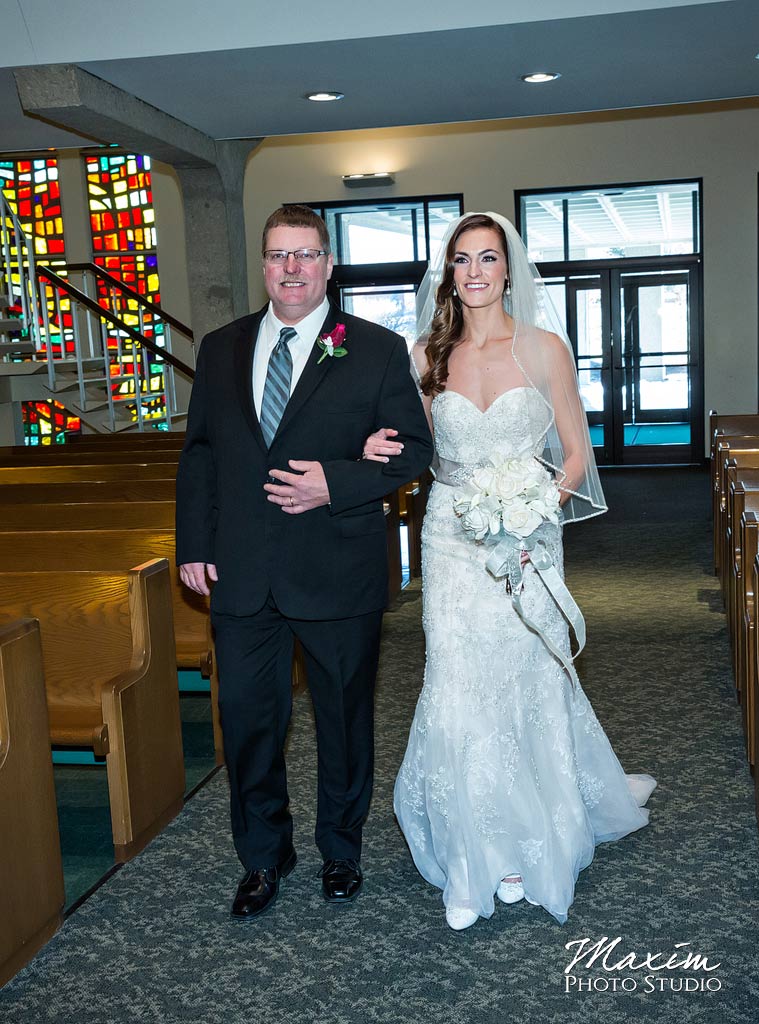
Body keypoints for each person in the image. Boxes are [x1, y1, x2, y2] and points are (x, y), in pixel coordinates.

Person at [363, 212, 655, 930]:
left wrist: (536, 508)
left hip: (528, 533)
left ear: (506, 269)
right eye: (461, 260)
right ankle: (471, 857)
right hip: (451, 533)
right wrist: (372, 443)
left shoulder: (545, 348)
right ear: (448, 274)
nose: (474, 272)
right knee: (456, 681)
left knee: (523, 677)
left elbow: (577, 454)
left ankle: (525, 841)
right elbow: (410, 448)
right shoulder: (423, 354)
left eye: (487, 258)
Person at [176, 204, 433, 920]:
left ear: (328, 265)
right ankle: (263, 856)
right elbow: (200, 454)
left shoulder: (375, 348)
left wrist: (336, 482)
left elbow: (413, 449)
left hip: (336, 567)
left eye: (306, 254)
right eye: (278, 255)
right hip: (242, 572)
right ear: (262, 265)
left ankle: (340, 850)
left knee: (343, 721)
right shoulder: (222, 346)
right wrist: (193, 543)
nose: (291, 268)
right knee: (248, 720)